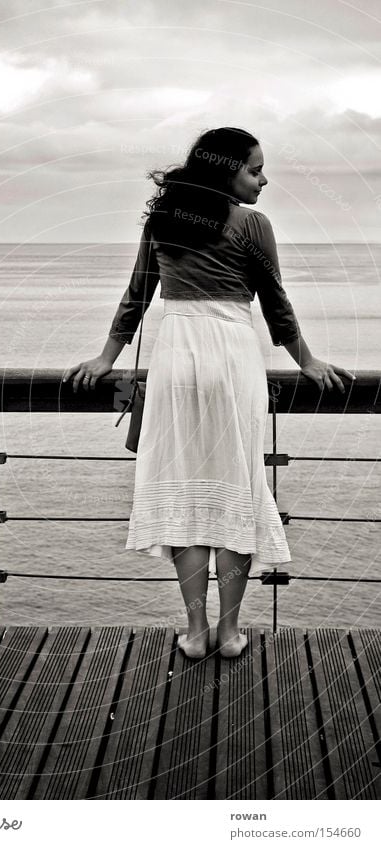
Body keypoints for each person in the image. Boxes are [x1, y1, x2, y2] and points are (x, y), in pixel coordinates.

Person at [62, 127, 355, 660]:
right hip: (231, 356)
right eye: (255, 169)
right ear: (227, 170)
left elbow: (136, 295)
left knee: (187, 495)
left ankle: (194, 633)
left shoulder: (164, 220)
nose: (263, 179)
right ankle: (231, 632)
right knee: (235, 490)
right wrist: (307, 361)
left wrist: (106, 357)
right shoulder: (253, 224)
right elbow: (275, 304)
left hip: (176, 357)